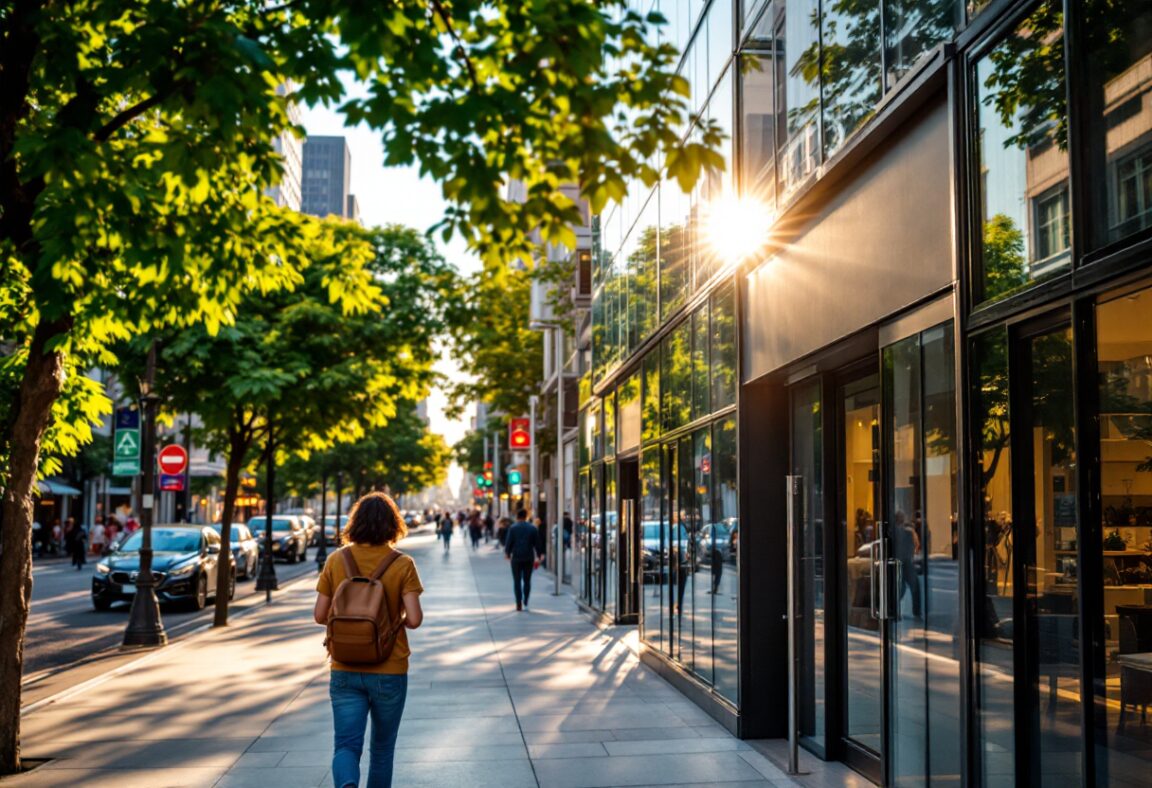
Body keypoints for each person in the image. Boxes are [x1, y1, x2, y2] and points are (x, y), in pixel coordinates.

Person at [314, 492, 424, 788]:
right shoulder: (402, 564)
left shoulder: (337, 560)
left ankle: (347, 783)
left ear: (355, 522)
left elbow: (319, 614)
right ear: (393, 524)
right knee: (382, 750)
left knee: (346, 746)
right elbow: (414, 619)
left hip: (344, 667)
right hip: (390, 669)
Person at [504, 509, 543, 611]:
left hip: (516, 557)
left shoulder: (513, 528)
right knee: (527, 580)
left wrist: (507, 553)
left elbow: (509, 542)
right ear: (526, 516)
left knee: (516, 581)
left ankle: (518, 603)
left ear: (517, 516)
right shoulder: (532, 528)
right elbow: (537, 544)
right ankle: (526, 600)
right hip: (528, 557)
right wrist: (540, 555)